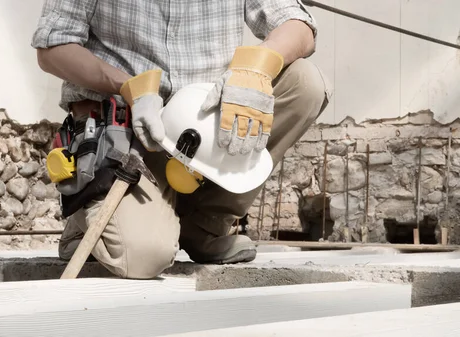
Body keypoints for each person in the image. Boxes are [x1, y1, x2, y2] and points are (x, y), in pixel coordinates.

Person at [32, 0, 332, 279]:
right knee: (142, 257)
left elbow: (298, 25)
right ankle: (85, 223)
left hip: (206, 124)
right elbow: (53, 46)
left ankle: (204, 225)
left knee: (305, 83)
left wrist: (256, 67)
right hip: (125, 129)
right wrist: (128, 86)